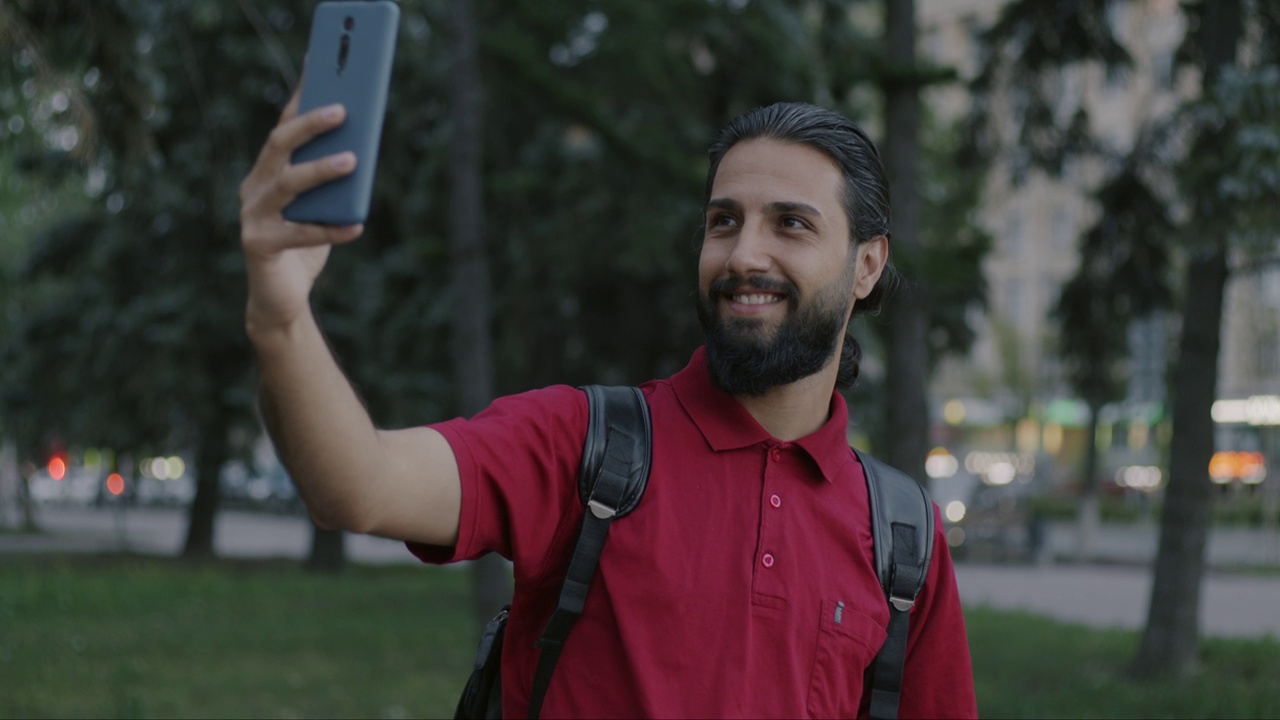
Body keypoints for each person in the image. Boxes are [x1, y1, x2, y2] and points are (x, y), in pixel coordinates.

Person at [239, 95, 977, 719]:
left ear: (867, 265)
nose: (744, 255)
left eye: (791, 224)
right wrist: (280, 317)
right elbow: (359, 485)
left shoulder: (903, 538)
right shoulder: (587, 446)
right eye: (724, 221)